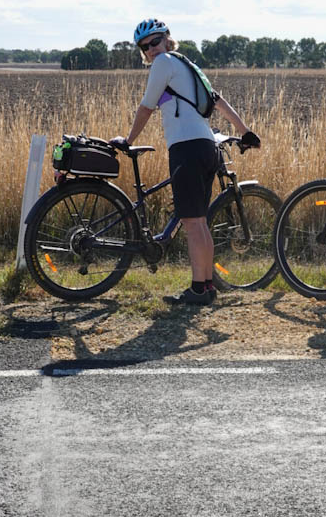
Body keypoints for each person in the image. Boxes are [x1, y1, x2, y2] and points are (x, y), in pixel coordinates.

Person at [110, 18, 260, 305]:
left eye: (155, 41)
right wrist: (245, 131)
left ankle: (198, 289)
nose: (151, 49)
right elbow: (218, 101)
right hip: (206, 146)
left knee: (193, 223)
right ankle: (206, 287)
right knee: (198, 222)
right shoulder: (188, 65)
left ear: (167, 38)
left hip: (186, 148)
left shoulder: (163, 62)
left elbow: (146, 107)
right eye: (145, 47)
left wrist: (127, 140)